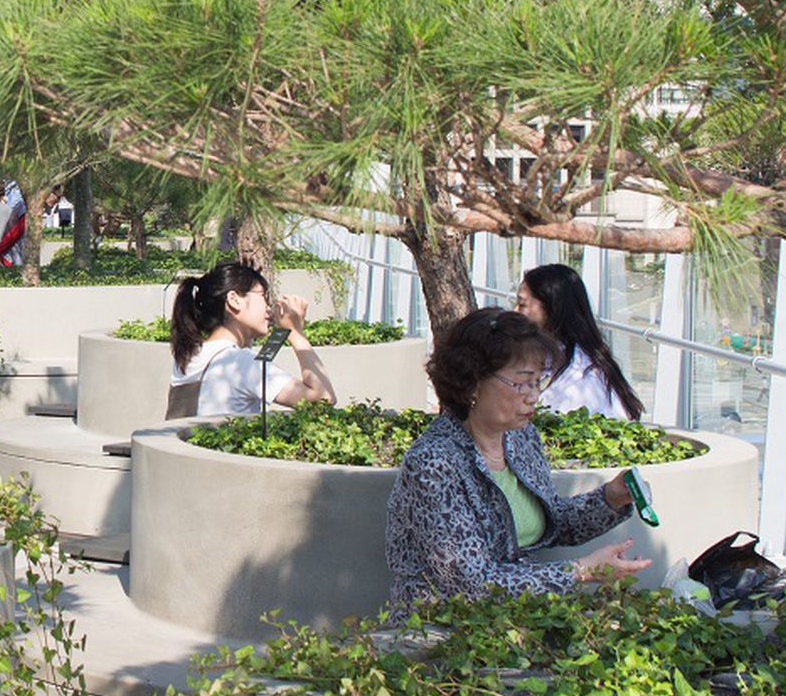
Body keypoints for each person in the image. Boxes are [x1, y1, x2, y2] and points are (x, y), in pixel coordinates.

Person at [384, 308, 649, 615]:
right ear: (471, 382)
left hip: (517, 618)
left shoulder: (520, 438)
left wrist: (610, 498)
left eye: (539, 381)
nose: (533, 396)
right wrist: (580, 572)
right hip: (442, 628)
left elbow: (551, 522)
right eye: (522, 383)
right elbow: (471, 586)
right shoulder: (434, 462)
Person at [167, 262, 336, 418]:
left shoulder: (192, 354)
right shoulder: (240, 362)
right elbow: (322, 401)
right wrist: (295, 332)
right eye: (263, 296)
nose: (268, 308)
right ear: (234, 300)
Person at [515, 263, 643, 420]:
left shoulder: (581, 378)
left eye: (522, 305)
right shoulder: (559, 356)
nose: (515, 312)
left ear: (550, 309)